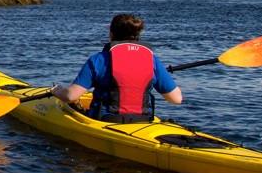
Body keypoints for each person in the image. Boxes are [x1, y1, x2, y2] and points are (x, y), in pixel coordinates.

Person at [52, 13, 182, 123]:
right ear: (138, 35)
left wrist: (57, 91)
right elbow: (176, 99)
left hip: (105, 120)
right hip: (142, 120)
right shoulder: (152, 60)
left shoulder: (99, 59)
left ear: (111, 33)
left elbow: (71, 96)